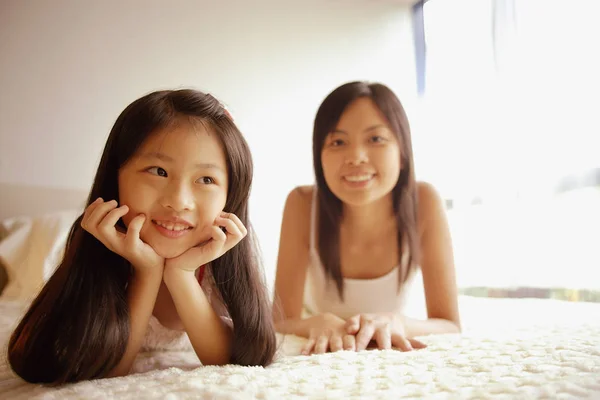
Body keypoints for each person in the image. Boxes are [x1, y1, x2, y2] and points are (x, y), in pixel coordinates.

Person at [8, 89, 277, 384]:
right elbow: (108, 373)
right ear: (116, 177)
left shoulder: (219, 263)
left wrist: (182, 274)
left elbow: (232, 365)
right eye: (159, 171)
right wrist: (146, 272)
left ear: (230, 196)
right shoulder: (97, 255)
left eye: (206, 179)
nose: (179, 201)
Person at [272, 81, 461, 355]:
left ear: (403, 153)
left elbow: (450, 324)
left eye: (376, 139)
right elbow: (278, 321)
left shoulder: (425, 202)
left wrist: (399, 322)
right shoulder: (302, 204)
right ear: (319, 157)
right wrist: (318, 322)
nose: (356, 157)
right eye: (338, 142)